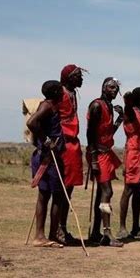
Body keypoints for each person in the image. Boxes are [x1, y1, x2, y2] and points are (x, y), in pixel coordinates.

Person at [27, 80, 65, 248]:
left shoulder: (52, 106)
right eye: (61, 90)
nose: (63, 92)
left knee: (52, 195)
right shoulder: (47, 106)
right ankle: (41, 235)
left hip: (51, 156)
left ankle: (49, 234)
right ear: (56, 92)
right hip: (47, 158)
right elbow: (31, 123)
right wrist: (46, 139)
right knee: (50, 195)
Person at [87, 77, 124, 247]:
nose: (114, 90)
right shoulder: (96, 105)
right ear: (103, 88)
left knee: (102, 194)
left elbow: (108, 133)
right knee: (107, 192)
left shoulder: (109, 106)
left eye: (116, 88)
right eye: (111, 87)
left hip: (106, 153)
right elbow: (90, 134)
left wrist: (120, 118)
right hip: (98, 154)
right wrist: (93, 159)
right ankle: (107, 233)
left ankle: (96, 232)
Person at [117, 88, 140, 239]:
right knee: (129, 190)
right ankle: (122, 227)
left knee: (139, 192)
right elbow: (128, 109)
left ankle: (136, 228)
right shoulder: (131, 112)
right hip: (134, 153)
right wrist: (127, 101)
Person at [57, 64, 85, 245]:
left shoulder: (73, 94)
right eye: (78, 76)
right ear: (68, 77)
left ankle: (63, 227)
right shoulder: (59, 93)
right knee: (60, 189)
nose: (81, 79)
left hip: (73, 144)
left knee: (69, 189)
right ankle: (56, 229)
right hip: (62, 144)